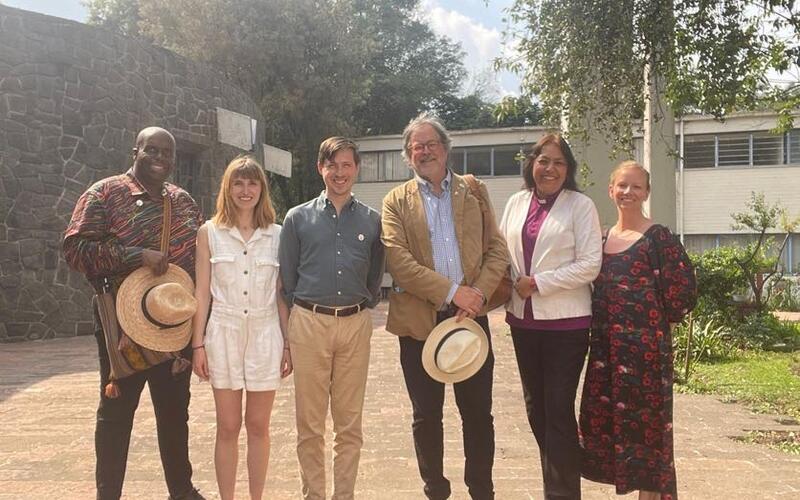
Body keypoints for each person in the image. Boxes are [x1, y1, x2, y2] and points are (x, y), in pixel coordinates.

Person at [63, 126, 205, 500]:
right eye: (152, 150)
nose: (160, 158)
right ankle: (107, 494)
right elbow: (75, 249)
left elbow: (202, 259)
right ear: (135, 151)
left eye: (167, 153)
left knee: (175, 413)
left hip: (174, 325)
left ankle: (181, 489)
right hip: (123, 324)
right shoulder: (105, 194)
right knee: (116, 413)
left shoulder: (184, 201)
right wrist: (134, 256)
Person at [382, 112, 509, 500]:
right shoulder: (395, 201)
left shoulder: (474, 191)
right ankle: (435, 489)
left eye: (430, 143)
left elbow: (497, 248)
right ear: (408, 155)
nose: (424, 151)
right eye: (416, 146)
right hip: (419, 323)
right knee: (426, 416)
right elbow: (398, 261)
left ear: (446, 148)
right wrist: (454, 292)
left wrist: (477, 296)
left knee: (477, 416)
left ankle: (481, 490)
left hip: (469, 319)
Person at [579, 161, 696, 500]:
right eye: (622, 186)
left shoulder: (657, 238)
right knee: (614, 430)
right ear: (610, 189)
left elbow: (682, 295)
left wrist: (647, 328)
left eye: (637, 187)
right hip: (606, 354)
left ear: (646, 193)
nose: (628, 192)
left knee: (648, 436)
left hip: (646, 357)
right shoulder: (599, 239)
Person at [278, 137, 384, 500]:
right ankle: (314, 495)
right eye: (332, 165)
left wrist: (362, 304)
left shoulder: (372, 221)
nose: (339, 173)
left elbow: (375, 277)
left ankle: (344, 496)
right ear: (320, 168)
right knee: (309, 425)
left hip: (355, 324)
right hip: (309, 321)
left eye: (346, 165)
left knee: (349, 425)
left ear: (356, 169)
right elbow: (287, 279)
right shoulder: (297, 218)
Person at [498, 132, 602, 500]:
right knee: (535, 410)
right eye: (544, 160)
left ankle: (562, 493)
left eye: (559, 162)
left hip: (566, 324)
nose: (550, 168)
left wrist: (539, 282)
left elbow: (590, 264)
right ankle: (554, 485)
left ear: (569, 169)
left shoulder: (580, 206)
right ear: (532, 164)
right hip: (523, 323)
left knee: (557, 409)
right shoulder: (514, 202)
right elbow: (500, 254)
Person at [190, 155, 292, 500]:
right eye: (238, 183)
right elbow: (201, 294)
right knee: (228, 426)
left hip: (266, 334)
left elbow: (281, 296)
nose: (245, 190)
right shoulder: (209, 233)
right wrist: (197, 345)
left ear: (262, 188)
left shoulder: (278, 235)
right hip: (223, 334)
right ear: (227, 188)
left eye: (252, 183)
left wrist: (288, 345)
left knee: (259, 426)